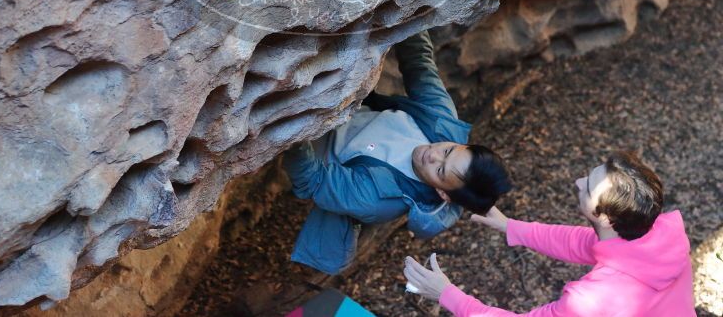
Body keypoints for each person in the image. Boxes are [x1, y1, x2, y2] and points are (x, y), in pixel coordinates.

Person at [284, 29, 512, 275]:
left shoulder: (378, 200)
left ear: (442, 193)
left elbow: (312, 180)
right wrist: (413, 16)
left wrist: (296, 124)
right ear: (460, 145)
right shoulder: (442, 125)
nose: (432, 155)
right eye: (448, 151)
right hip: (346, 105)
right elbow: (420, 66)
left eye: (440, 170)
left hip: (313, 137)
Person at [403, 151, 695, 316]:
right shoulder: (662, 238)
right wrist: (512, 227)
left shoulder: (590, 300)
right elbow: (581, 242)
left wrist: (447, 294)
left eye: (589, 187)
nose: (579, 182)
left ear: (605, 217)